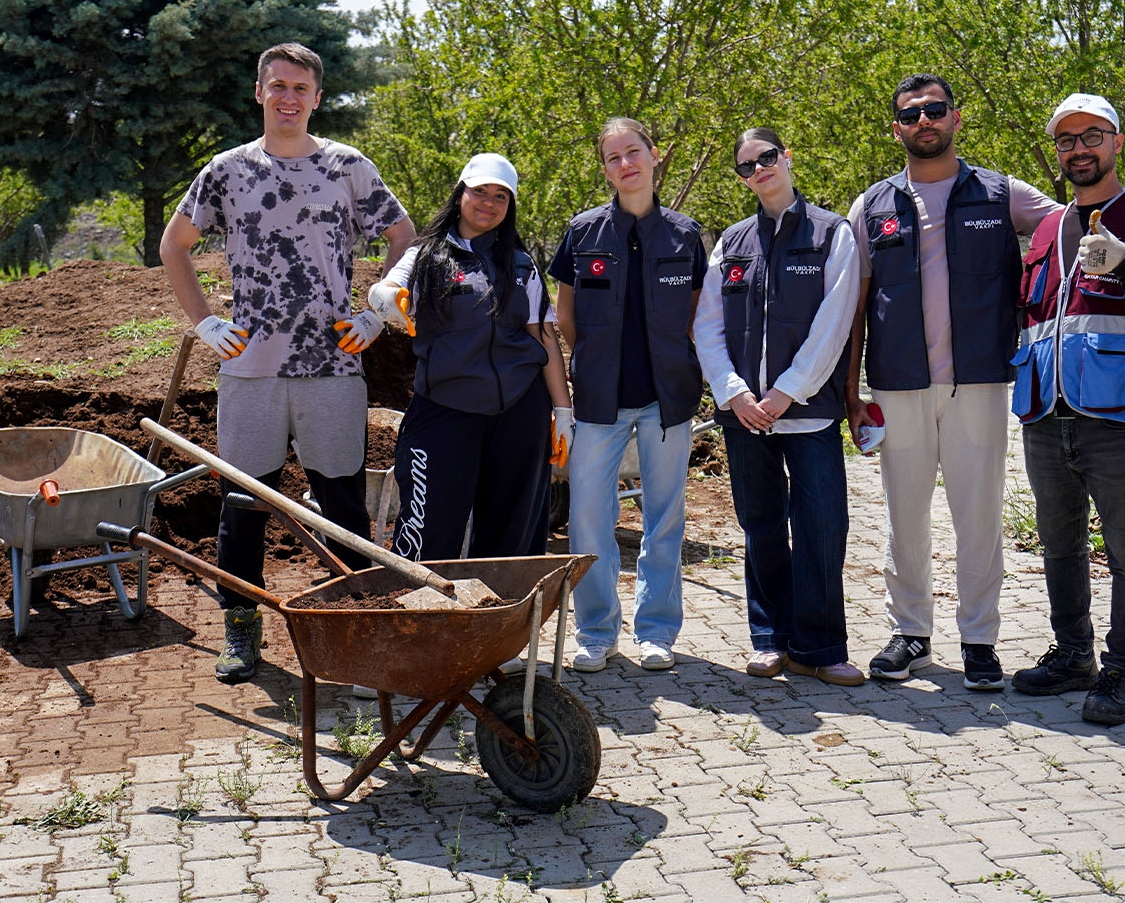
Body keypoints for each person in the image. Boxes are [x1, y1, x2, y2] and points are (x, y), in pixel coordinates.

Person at [845, 74, 1125, 691]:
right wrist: (851, 393)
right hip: (896, 384)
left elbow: (1085, 219)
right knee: (903, 517)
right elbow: (856, 302)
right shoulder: (870, 206)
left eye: (935, 110)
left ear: (956, 118)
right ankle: (910, 632)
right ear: (897, 128)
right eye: (912, 115)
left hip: (981, 382)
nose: (925, 121)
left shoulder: (1000, 194)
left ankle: (979, 640)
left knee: (978, 515)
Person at [159, 42, 415, 684]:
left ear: (317, 97)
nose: (288, 97)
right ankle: (242, 632)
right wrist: (205, 322)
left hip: (332, 367)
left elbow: (403, 237)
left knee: (343, 508)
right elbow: (175, 246)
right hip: (252, 370)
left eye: (300, 87)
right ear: (259, 93)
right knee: (242, 508)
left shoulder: (347, 167)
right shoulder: (226, 170)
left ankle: (353, 629)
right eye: (277, 85)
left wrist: (376, 312)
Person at [1007, 93, 1125, 726]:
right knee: (1059, 547)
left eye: (1092, 136)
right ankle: (1072, 655)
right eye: (1066, 140)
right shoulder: (1043, 229)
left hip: (1119, 416)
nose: (1078, 149)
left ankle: (1120, 673)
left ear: (1116, 141)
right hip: (1044, 411)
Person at [693, 127, 864, 686]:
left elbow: (834, 322)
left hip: (807, 411)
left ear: (787, 157)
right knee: (761, 525)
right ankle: (769, 640)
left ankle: (821, 648)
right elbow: (708, 326)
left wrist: (786, 390)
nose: (759, 170)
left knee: (821, 525)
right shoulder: (732, 242)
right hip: (746, 416)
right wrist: (734, 392)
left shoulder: (831, 233)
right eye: (746, 167)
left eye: (766, 158)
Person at [551, 119, 707, 673]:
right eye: (613, 157)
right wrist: (593, 365)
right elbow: (565, 316)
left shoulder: (686, 236)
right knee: (590, 519)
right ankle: (596, 632)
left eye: (633, 152)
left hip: (668, 401)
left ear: (654, 155)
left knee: (664, 518)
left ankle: (657, 632)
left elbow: (696, 318)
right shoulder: (583, 232)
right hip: (598, 402)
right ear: (605, 169)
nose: (625, 164)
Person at [365, 153, 572, 563]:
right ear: (461, 193)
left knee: (512, 536)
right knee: (428, 531)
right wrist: (385, 297)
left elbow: (544, 337)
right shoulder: (426, 257)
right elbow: (387, 288)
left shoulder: (521, 265)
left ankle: (500, 619)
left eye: (501, 196)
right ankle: (422, 618)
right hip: (445, 411)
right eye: (480, 191)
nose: (489, 203)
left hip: (519, 411)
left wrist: (563, 410)